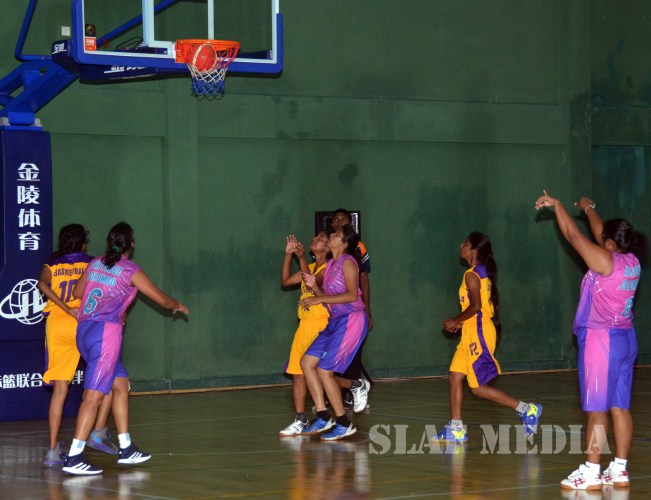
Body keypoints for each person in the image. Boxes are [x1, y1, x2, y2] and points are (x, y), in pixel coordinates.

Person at [535, 191, 646, 491]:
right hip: (626, 340)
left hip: (602, 341)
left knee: (596, 410)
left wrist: (558, 206)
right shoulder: (631, 261)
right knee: (620, 407)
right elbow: (600, 233)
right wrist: (588, 208)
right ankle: (619, 470)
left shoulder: (605, 262)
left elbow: (573, 236)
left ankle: (592, 472)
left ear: (609, 243)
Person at [62, 222, 189, 475]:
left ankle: (126, 448)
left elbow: (77, 292)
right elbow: (161, 299)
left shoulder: (95, 263)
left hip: (84, 332)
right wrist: (178, 305)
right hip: (105, 335)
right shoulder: (129, 270)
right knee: (93, 397)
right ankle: (74, 456)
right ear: (132, 244)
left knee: (120, 385)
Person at [433, 232, 542, 444]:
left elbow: (476, 307)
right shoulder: (481, 272)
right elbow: (482, 308)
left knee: (477, 387)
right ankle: (456, 428)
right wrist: (462, 324)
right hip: (471, 330)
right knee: (455, 376)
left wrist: (455, 320)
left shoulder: (472, 275)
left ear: (474, 251)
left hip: (479, 333)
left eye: (465, 244)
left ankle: (526, 409)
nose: (461, 245)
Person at [38, 224, 118, 467]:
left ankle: (53, 450)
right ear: (83, 244)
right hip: (85, 323)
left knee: (59, 391)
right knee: (103, 380)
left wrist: (64, 308)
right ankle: (97, 432)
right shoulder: (92, 263)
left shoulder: (51, 265)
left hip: (57, 325)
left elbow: (42, 285)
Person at [299, 224, 369, 441]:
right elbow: (325, 295)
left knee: (324, 371)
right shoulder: (330, 265)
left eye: (337, 234)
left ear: (344, 243)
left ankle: (344, 423)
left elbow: (351, 296)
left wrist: (319, 298)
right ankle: (322, 416)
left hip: (351, 320)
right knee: (306, 363)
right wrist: (314, 287)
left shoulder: (348, 263)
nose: (331, 235)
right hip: (335, 321)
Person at [279, 232, 330, 436]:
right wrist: (288, 254)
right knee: (298, 374)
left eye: (321, 238)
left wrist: (300, 258)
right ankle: (300, 418)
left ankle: (354, 384)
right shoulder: (308, 266)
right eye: (316, 237)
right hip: (304, 326)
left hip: (321, 325)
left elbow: (314, 281)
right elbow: (285, 281)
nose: (315, 239)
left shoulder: (330, 268)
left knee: (320, 373)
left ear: (328, 247)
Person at [330, 208, 371, 413]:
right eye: (336, 220)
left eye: (343, 220)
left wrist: (368, 310)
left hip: (351, 314)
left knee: (349, 357)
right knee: (325, 363)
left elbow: (362, 281)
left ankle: (352, 390)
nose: (339, 222)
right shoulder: (328, 251)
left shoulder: (355, 252)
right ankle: (334, 395)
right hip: (335, 314)